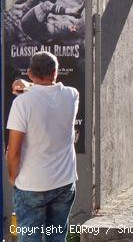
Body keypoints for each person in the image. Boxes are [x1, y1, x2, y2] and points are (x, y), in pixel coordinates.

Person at [7, 51, 79, 242]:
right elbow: (47, 92)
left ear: (30, 73)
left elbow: (13, 150)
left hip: (32, 184)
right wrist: (29, 86)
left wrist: (13, 177)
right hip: (64, 182)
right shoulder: (72, 95)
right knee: (56, 236)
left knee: (30, 238)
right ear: (56, 72)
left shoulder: (21, 103)